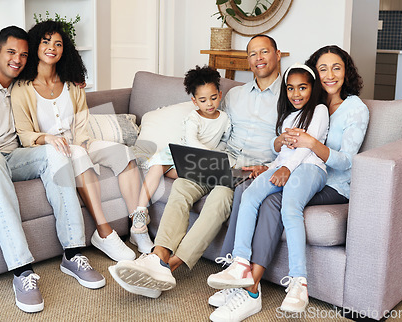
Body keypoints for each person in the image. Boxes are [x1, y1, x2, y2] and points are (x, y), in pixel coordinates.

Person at [0, 26, 105, 314]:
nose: (17, 59)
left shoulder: (19, 87)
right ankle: (22, 270)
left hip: (10, 157)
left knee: (56, 151)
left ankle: (73, 252)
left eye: (23, 54)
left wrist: (70, 83)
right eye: (10, 52)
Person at [108, 34, 283, 299]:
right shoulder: (234, 96)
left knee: (221, 198)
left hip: (252, 169)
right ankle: (158, 256)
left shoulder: (289, 94)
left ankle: (170, 266)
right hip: (221, 160)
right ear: (248, 60)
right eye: (252, 54)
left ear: (277, 54)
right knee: (181, 185)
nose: (258, 58)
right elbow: (212, 121)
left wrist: (270, 165)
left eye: (264, 52)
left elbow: (292, 140)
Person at [211, 45, 369, 321]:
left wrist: (309, 146)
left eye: (336, 68)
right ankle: (236, 266)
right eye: (323, 69)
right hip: (296, 172)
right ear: (314, 74)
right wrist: (272, 165)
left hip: (332, 184)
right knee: (247, 188)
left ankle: (251, 287)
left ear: (347, 71)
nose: (330, 75)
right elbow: (285, 147)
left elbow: (346, 162)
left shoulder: (355, 108)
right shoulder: (306, 106)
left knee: (275, 201)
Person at [11, 21, 141, 262]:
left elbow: (82, 121)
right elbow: (24, 133)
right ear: (35, 45)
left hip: (79, 144)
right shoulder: (22, 88)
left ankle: (137, 226)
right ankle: (104, 232)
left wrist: (82, 142)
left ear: (64, 50)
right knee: (79, 155)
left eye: (58, 44)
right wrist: (46, 138)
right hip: (51, 151)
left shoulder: (72, 84)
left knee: (123, 153)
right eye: (46, 41)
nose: (52, 48)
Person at [207, 63, 329, 321]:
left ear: (313, 89)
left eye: (303, 88)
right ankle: (240, 263)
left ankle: (299, 281)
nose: (296, 93)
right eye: (291, 88)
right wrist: (273, 164)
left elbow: (307, 149)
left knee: (290, 207)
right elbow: (280, 150)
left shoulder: (318, 110)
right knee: (250, 194)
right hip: (283, 165)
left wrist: (285, 168)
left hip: (309, 168)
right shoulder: (286, 116)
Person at [129, 65, 231, 253]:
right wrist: (214, 155)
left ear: (220, 94)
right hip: (179, 152)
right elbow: (192, 141)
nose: (209, 104)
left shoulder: (224, 118)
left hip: (199, 160)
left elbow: (224, 142)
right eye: (203, 100)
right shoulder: (194, 118)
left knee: (188, 176)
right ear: (194, 101)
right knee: (157, 168)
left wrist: (219, 158)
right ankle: (140, 213)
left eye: (213, 98)